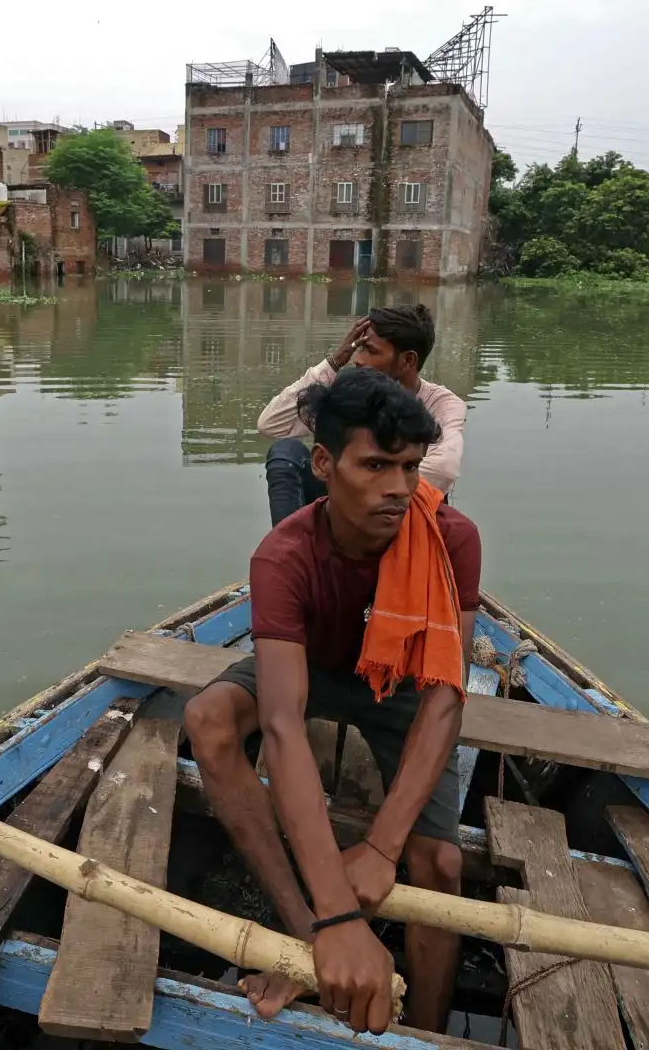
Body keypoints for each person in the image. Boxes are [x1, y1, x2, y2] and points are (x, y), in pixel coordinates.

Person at [186, 369, 478, 1034]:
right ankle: (306, 940)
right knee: (207, 720)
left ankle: (425, 1027)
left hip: (404, 680)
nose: (399, 489)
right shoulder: (284, 557)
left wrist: (381, 846)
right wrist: (339, 922)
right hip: (312, 666)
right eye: (375, 465)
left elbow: (444, 698)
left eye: (409, 466)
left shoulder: (451, 539)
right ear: (323, 463)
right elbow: (283, 726)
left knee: (440, 862)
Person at [257, 304, 465, 527]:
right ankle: (288, 547)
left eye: (371, 351)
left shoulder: (442, 404)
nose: (359, 359)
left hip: (401, 510)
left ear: (408, 361)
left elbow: (442, 470)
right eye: (359, 348)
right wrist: (335, 361)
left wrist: (362, 486)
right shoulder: (349, 394)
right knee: (286, 453)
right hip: (346, 500)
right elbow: (271, 424)